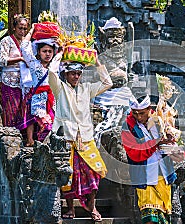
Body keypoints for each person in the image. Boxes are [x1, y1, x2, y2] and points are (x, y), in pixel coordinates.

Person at [48, 50, 113, 221]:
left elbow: (107, 82)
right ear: (66, 74)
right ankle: (71, 209)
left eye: (78, 73)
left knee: (95, 171)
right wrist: (60, 55)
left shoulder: (87, 89)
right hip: (66, 137)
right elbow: (52, 73)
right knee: (68, 175)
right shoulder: (60, 88)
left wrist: (98, 63)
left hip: (85, 137)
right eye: (72, 73)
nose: (76, 76)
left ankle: (92, 207)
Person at [121, 95, 177, 224]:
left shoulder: (160, 119)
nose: (139, 117)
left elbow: (172, 144)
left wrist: (171, 142)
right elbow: (134, 152)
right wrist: (156, 142)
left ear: (149, 109)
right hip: (144, 175)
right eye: (135, 113)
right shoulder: (128, 126)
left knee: (164, 216)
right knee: (149, 216)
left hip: (163, 172)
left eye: (142, 113)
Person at [18, 24, 57, 146]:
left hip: (50, 98)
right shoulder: (34, 65)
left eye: (50, 51)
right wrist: (32, 30)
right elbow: (24, 47)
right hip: (37, 96)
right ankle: (30, 140)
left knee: (50, 122)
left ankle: (43, 142)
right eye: (44, 51)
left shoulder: (54, 65)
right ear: (38, 52)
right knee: (32, 118)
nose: (47, 54)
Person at [0, 14, 29, 127]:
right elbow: (2, 60)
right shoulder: (6, 41)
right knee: (10, 110)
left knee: (22, 110)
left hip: (24, 81)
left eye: (25, 28)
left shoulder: (26, 43)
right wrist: (20, 59)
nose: (22, 31)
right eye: (20, 28)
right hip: (10, 81)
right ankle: (9, 134)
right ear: (14, 28)